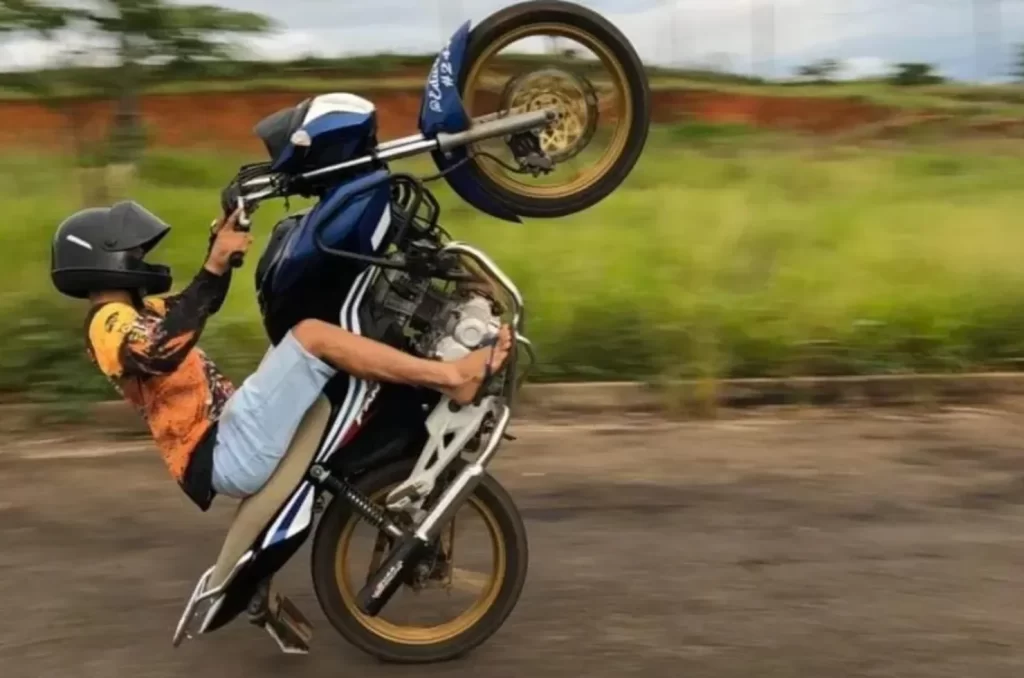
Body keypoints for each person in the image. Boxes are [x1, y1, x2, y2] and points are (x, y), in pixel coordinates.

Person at [49, 200, 512, 511]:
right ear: (108, 257)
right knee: (311, 337)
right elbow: (159, 353)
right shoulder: (106, 321)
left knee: (322, 343)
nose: (145, 257)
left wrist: (219, 256)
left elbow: (193, 307)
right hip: (224, 450)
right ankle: (451, 375)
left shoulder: (137, 311)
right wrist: (212, 267)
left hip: (231, 434)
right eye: (137, 250)